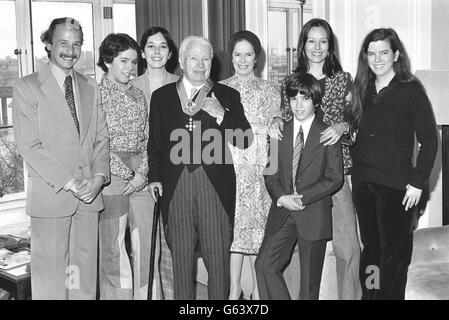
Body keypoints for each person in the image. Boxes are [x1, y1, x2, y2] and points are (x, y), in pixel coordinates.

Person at [148, 36, 252, 300]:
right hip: (176, 187)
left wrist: (221, 114)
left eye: (206, 58)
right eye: (194, 58)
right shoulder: (161, 97)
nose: (200, 64)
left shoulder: (227, 95)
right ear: (181, 61)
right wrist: (155, 177)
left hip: (214, 187)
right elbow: (155, 144)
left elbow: (244, 138)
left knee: (218, 264)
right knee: (180, 264)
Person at [12, 17, 110, 299]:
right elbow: (30, 145)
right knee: (52, 284)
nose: (70, 50)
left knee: (81, 280)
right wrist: (70, 182)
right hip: (52, 198)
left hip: (89, 199)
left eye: (76, 44)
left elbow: (102, 137)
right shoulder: (27, 87)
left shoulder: (91, 86)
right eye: (63, 43)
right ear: (48, 44)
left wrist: (99, 177)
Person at [270, 18, 361, 299]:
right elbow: (284, 122)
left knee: (348, 249)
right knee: (293, 252)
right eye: (311, 40)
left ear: (330, 46)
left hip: (334, 177)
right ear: (303, 45)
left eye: (323, 41)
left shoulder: (342, 80)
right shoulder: (289, 82)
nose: (317, 47)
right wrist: (274, 118)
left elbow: (355, 125)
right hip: (296, 179)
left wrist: (344, 127)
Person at [350, 28, 438, 300]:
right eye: (372, 53)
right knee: (372, 251)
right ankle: (371, 295)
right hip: (364, 185)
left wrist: (417, 182)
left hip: (397, 187)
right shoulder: (361, 89)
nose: (377, 59)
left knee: (394, 256)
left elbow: (429, 140)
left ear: (396, 55)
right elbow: (356, 135)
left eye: (384, 52)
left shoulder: (410, 89)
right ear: (366, 56)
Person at [255, 73, 343, 300]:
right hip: (282, 211)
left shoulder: (328, 133)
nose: (299, 104)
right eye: (294, 99)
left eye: (304, 98)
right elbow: (270, 172)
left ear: (315, 100)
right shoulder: (278, 131)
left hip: (313, 214)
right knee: (264, 265)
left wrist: (301, 198)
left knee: (308, 287)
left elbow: (335, 178)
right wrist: (281, 197)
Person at [220, 30, 281, 300]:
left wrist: (274, 124)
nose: (242, 60)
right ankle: (234, 292)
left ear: (257, 58)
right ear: (230, 57)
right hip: (229, 167)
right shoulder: (219, 89)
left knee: (258, 232)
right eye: (237, 54)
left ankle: (257, 293)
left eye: (248, 54)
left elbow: (276, 126)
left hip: (259, 170)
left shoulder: (270, 89)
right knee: (234, 231)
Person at [96, 33, 151, 300]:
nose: (130, 68)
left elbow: (147, 136)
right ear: (108, 61)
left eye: (134, 62)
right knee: (113, 249)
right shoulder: (95, 95)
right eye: (124, 61)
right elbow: (98, 143)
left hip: (141, 175)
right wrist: (129, 173)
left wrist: (142, 173)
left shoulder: (139, 94)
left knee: (146, 245)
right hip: (111, 178)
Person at [132, 27, 179, 300]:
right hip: (141, 177)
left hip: (173, 172)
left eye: (162, 46)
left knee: (172, 245)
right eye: (151, 46)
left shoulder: (182, 84)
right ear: (143, 52)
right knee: (146, 247)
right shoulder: (132, 85)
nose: (157, 52)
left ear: (170, 53)